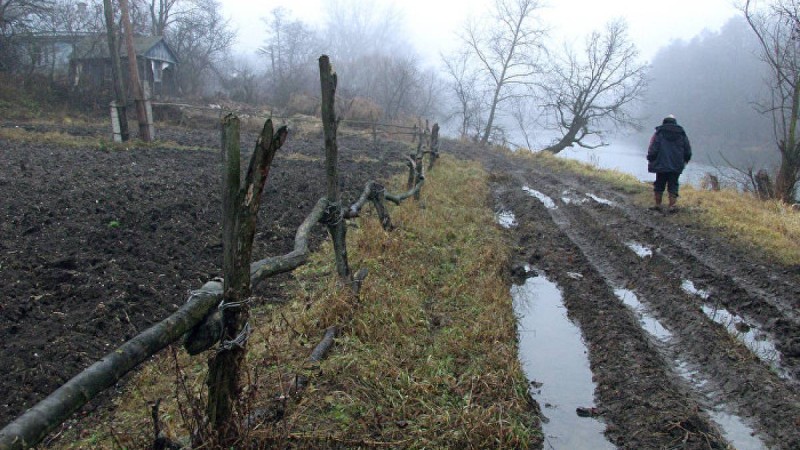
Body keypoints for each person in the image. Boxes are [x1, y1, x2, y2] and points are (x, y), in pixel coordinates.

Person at [647, 115, 692, 213]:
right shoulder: (682, 134)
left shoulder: (659, 133)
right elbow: (687, 150)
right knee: (673, 184)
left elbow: (653, 148)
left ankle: (658, 205)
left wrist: (650, 158)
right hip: (676, 164)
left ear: (664, 122)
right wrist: (685, 160)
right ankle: (672, 205)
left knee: (659, 183)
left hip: (661, 164)